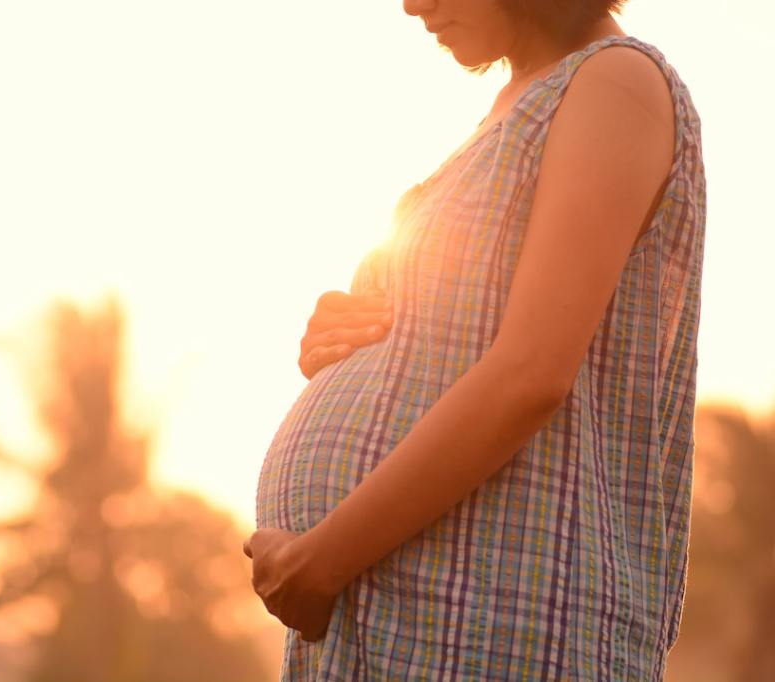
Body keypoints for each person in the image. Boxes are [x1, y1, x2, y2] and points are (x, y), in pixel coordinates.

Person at [244, 0, 706, 680]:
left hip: (501, 624)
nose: (412, 4)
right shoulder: (516, 106)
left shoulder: (615, 84)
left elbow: (531, 372)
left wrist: (324, 560)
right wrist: (350, 338)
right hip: (410, 616)